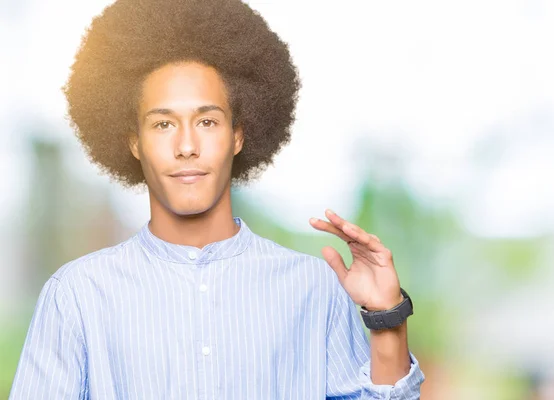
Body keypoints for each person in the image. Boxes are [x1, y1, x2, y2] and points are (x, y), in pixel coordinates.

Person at [9, 0, 425, 398]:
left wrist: (387, 318)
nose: (187, 145)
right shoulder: (78, 295)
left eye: (207, 121)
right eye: (163, 124)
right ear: (134, 142)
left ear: (238, 135)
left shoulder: (312, 289)